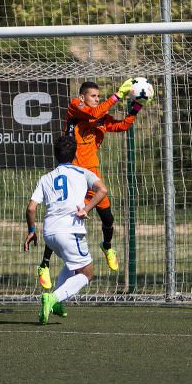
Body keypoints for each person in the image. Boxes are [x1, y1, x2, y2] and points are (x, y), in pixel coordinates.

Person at [36, 78, 143, 289]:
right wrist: (117, 96)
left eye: (98, 97)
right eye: (93, 96)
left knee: (108, 217)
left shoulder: (100, 118)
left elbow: (122, 125)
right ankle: (44, 265)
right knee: (63, 221)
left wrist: (137, 106)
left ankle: (107, 246)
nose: (96, 100)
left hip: (91, 175)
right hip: (72, 174)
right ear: (82, 96)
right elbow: (93, 112)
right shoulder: (75, 107)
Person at [24, 134, 108, 324]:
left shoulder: (45, 178)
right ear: (75, 153)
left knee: (71, 264)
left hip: (50, 233)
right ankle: (53, 298)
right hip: (70, 230)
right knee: (87, 273)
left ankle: (55, 302)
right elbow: (102, 190)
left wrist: (31, 230)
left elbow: (31, 208)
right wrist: (85, 209)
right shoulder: (82, 172)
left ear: (55, 155)